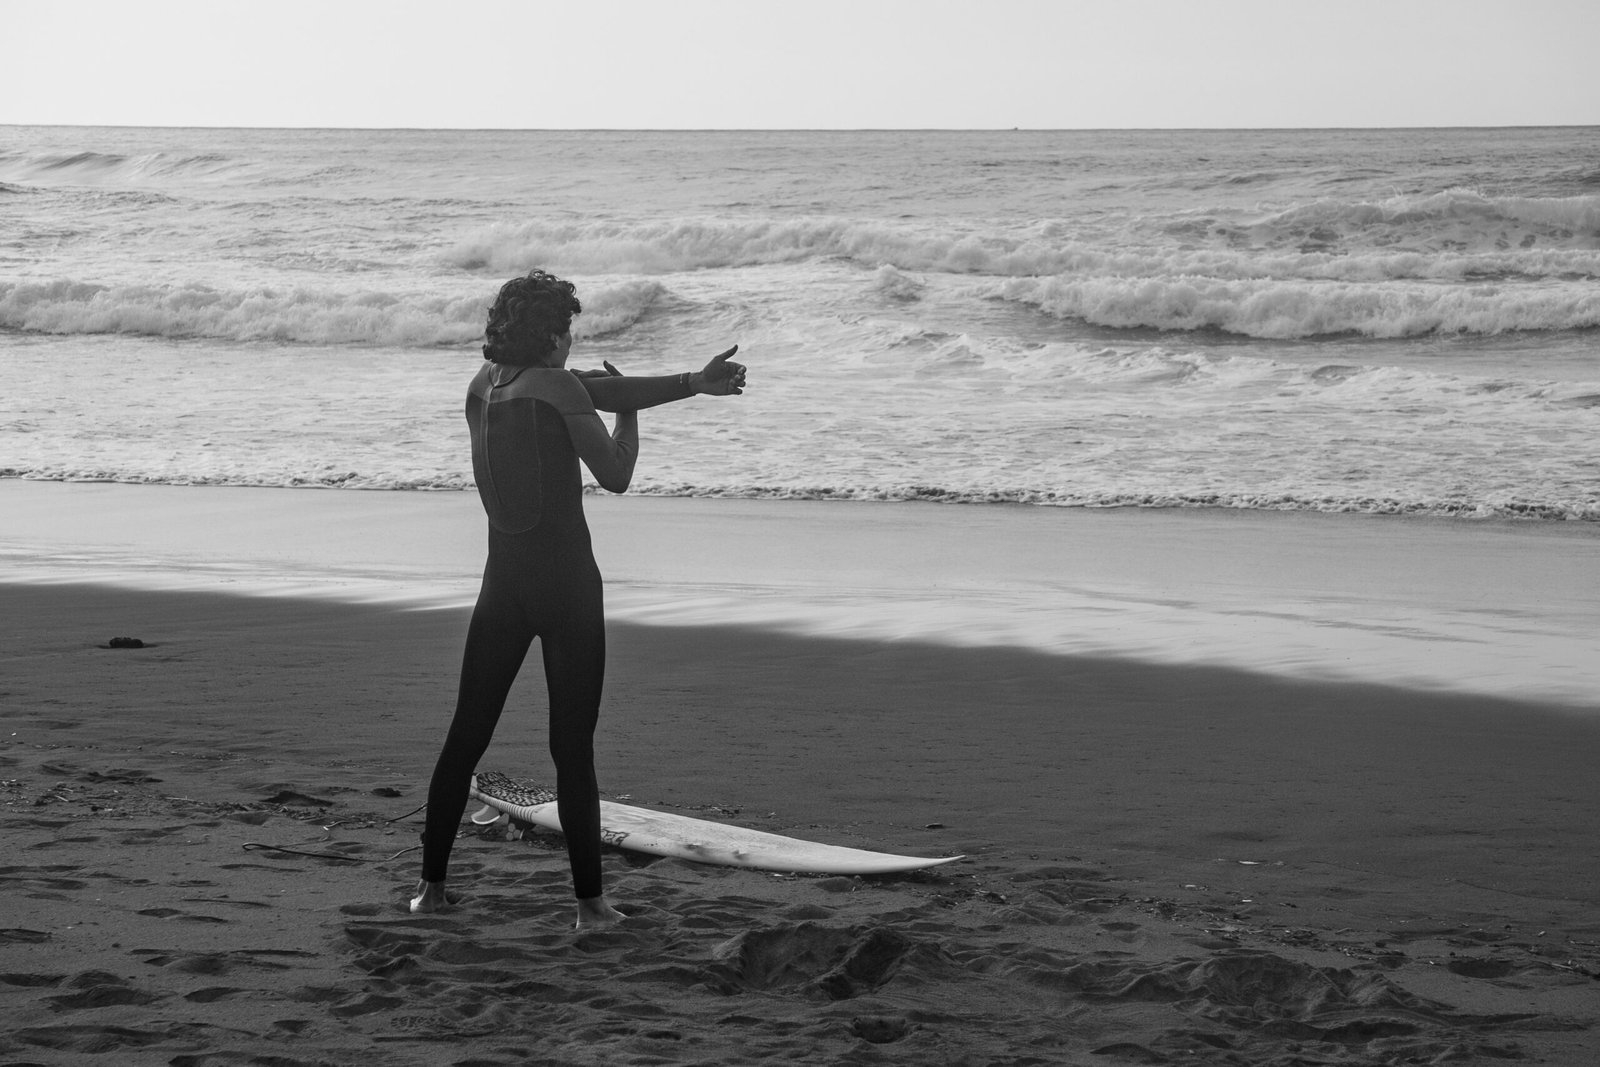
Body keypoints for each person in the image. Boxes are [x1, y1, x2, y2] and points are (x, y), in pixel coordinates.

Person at [411, 269, 746, 927]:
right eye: (569, 331)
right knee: (572, 750)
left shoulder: (484, 387)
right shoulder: (559, 386)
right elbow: (616, 473)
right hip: (565, 590)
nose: (572, 343)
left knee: (463, 738)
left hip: (501, 590)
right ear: (554, 334)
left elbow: (584, 386)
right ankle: (592, 907)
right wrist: (628, 416)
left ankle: (429, 890)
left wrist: (689, 384)